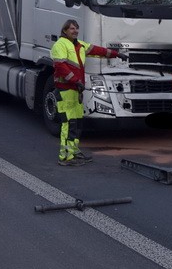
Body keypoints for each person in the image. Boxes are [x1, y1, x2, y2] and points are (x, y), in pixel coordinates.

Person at [50, 19, 127, 166]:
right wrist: (75, 80)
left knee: (77, 123)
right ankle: (65, 157)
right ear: (65, 30)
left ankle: (73, 152)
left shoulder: (79, 45)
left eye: (77, 28)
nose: (75, 31)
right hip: (66, 89)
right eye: (72, 28)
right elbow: (60, 66)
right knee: (68, 123)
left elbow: (98, 50)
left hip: (75, 90)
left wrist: (117, 54)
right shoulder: (59, 45)